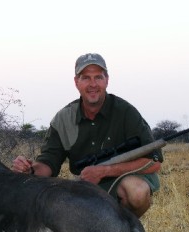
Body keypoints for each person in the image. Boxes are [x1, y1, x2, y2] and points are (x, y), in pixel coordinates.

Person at [12, 53, 163, 218]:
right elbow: (48, 163)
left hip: (122, 180)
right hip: (86, 185)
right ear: (76, 82)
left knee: (137, 192)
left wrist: (104, 171)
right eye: (86, 78)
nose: (93, 84)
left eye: (98, 77)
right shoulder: (63, 118)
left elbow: (153, 163)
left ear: (107, 80)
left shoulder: (126, 112)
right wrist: (29, 169)